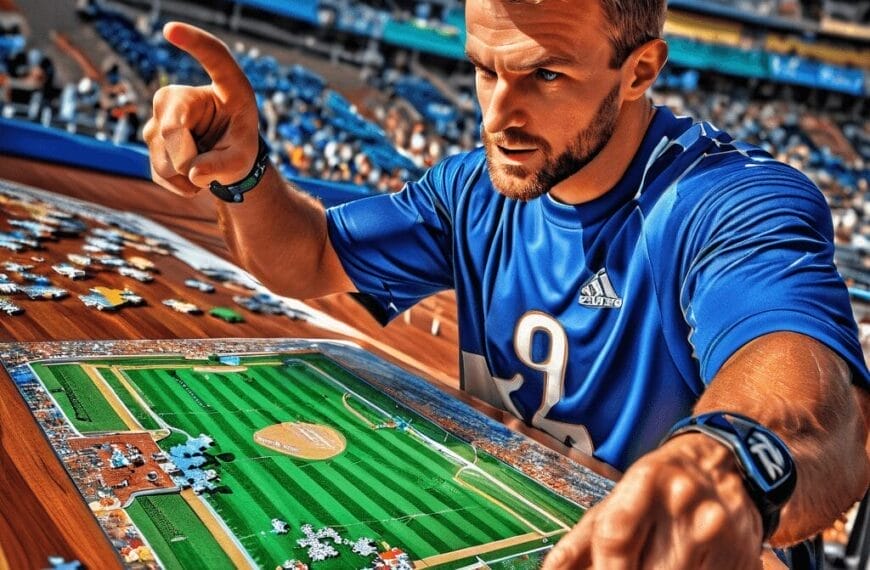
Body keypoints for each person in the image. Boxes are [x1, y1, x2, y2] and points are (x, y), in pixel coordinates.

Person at [144, 1, 869, 567]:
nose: (497, 115)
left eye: (544, 74)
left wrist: (724, 466)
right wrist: (242, 173)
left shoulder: (729, 200)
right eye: (485, 70)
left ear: (641, 70)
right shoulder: (473, 189)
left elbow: (825, 411)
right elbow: (309, 257)